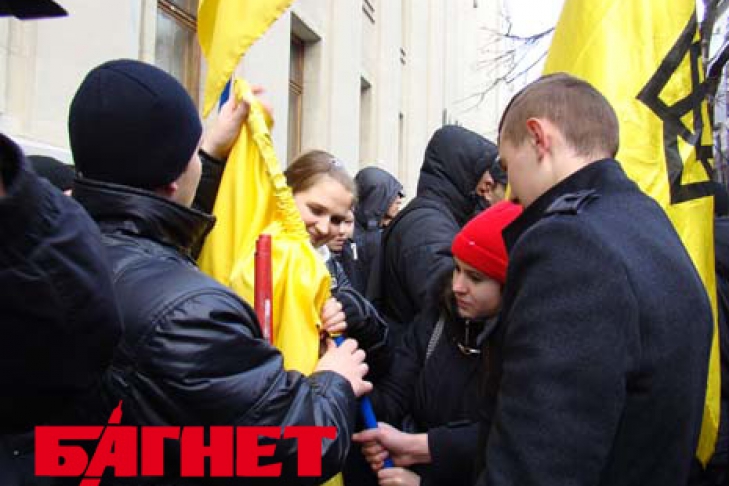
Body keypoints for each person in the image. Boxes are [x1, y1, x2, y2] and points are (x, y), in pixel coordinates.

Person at [69, 59, 371, 484]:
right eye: (193, 152)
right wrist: (333, 380)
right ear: (175, 176)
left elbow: (154, 238)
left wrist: (209, 152)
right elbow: (297, 447)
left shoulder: (57, 251)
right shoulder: (190, 313)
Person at [475, 72, 712, 486]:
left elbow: (537, 462)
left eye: (509, 166)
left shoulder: (569, 245)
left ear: (538, 138)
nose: (511, 193)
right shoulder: (647, 222)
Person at [352, 201, 522, 486]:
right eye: (457, 269)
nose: (457, 286)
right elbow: (394, 393)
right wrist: (349, 388)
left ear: (510, 286)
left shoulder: (527, 347)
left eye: (475, 278)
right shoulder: (439, 317)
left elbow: (511, 442)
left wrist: (422, 456)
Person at [368, 125, 499, 339]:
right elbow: (451, 301)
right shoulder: (426, 226)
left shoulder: (435, 218)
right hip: (412, 353)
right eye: (482, 170)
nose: (489, 182)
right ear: (460, 171)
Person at [284, 151, 390, 377]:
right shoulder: (255, 255)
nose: (324, 228)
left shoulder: (327, 263)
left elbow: (381, 349)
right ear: (286, 194)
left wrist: (356, 313)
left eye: (337, 219)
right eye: (315, 210)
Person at [347, 167, 404, 294]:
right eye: (390, 194)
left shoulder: (390, 230)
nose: (399, 199)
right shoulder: (347, 236)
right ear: (376, 197)